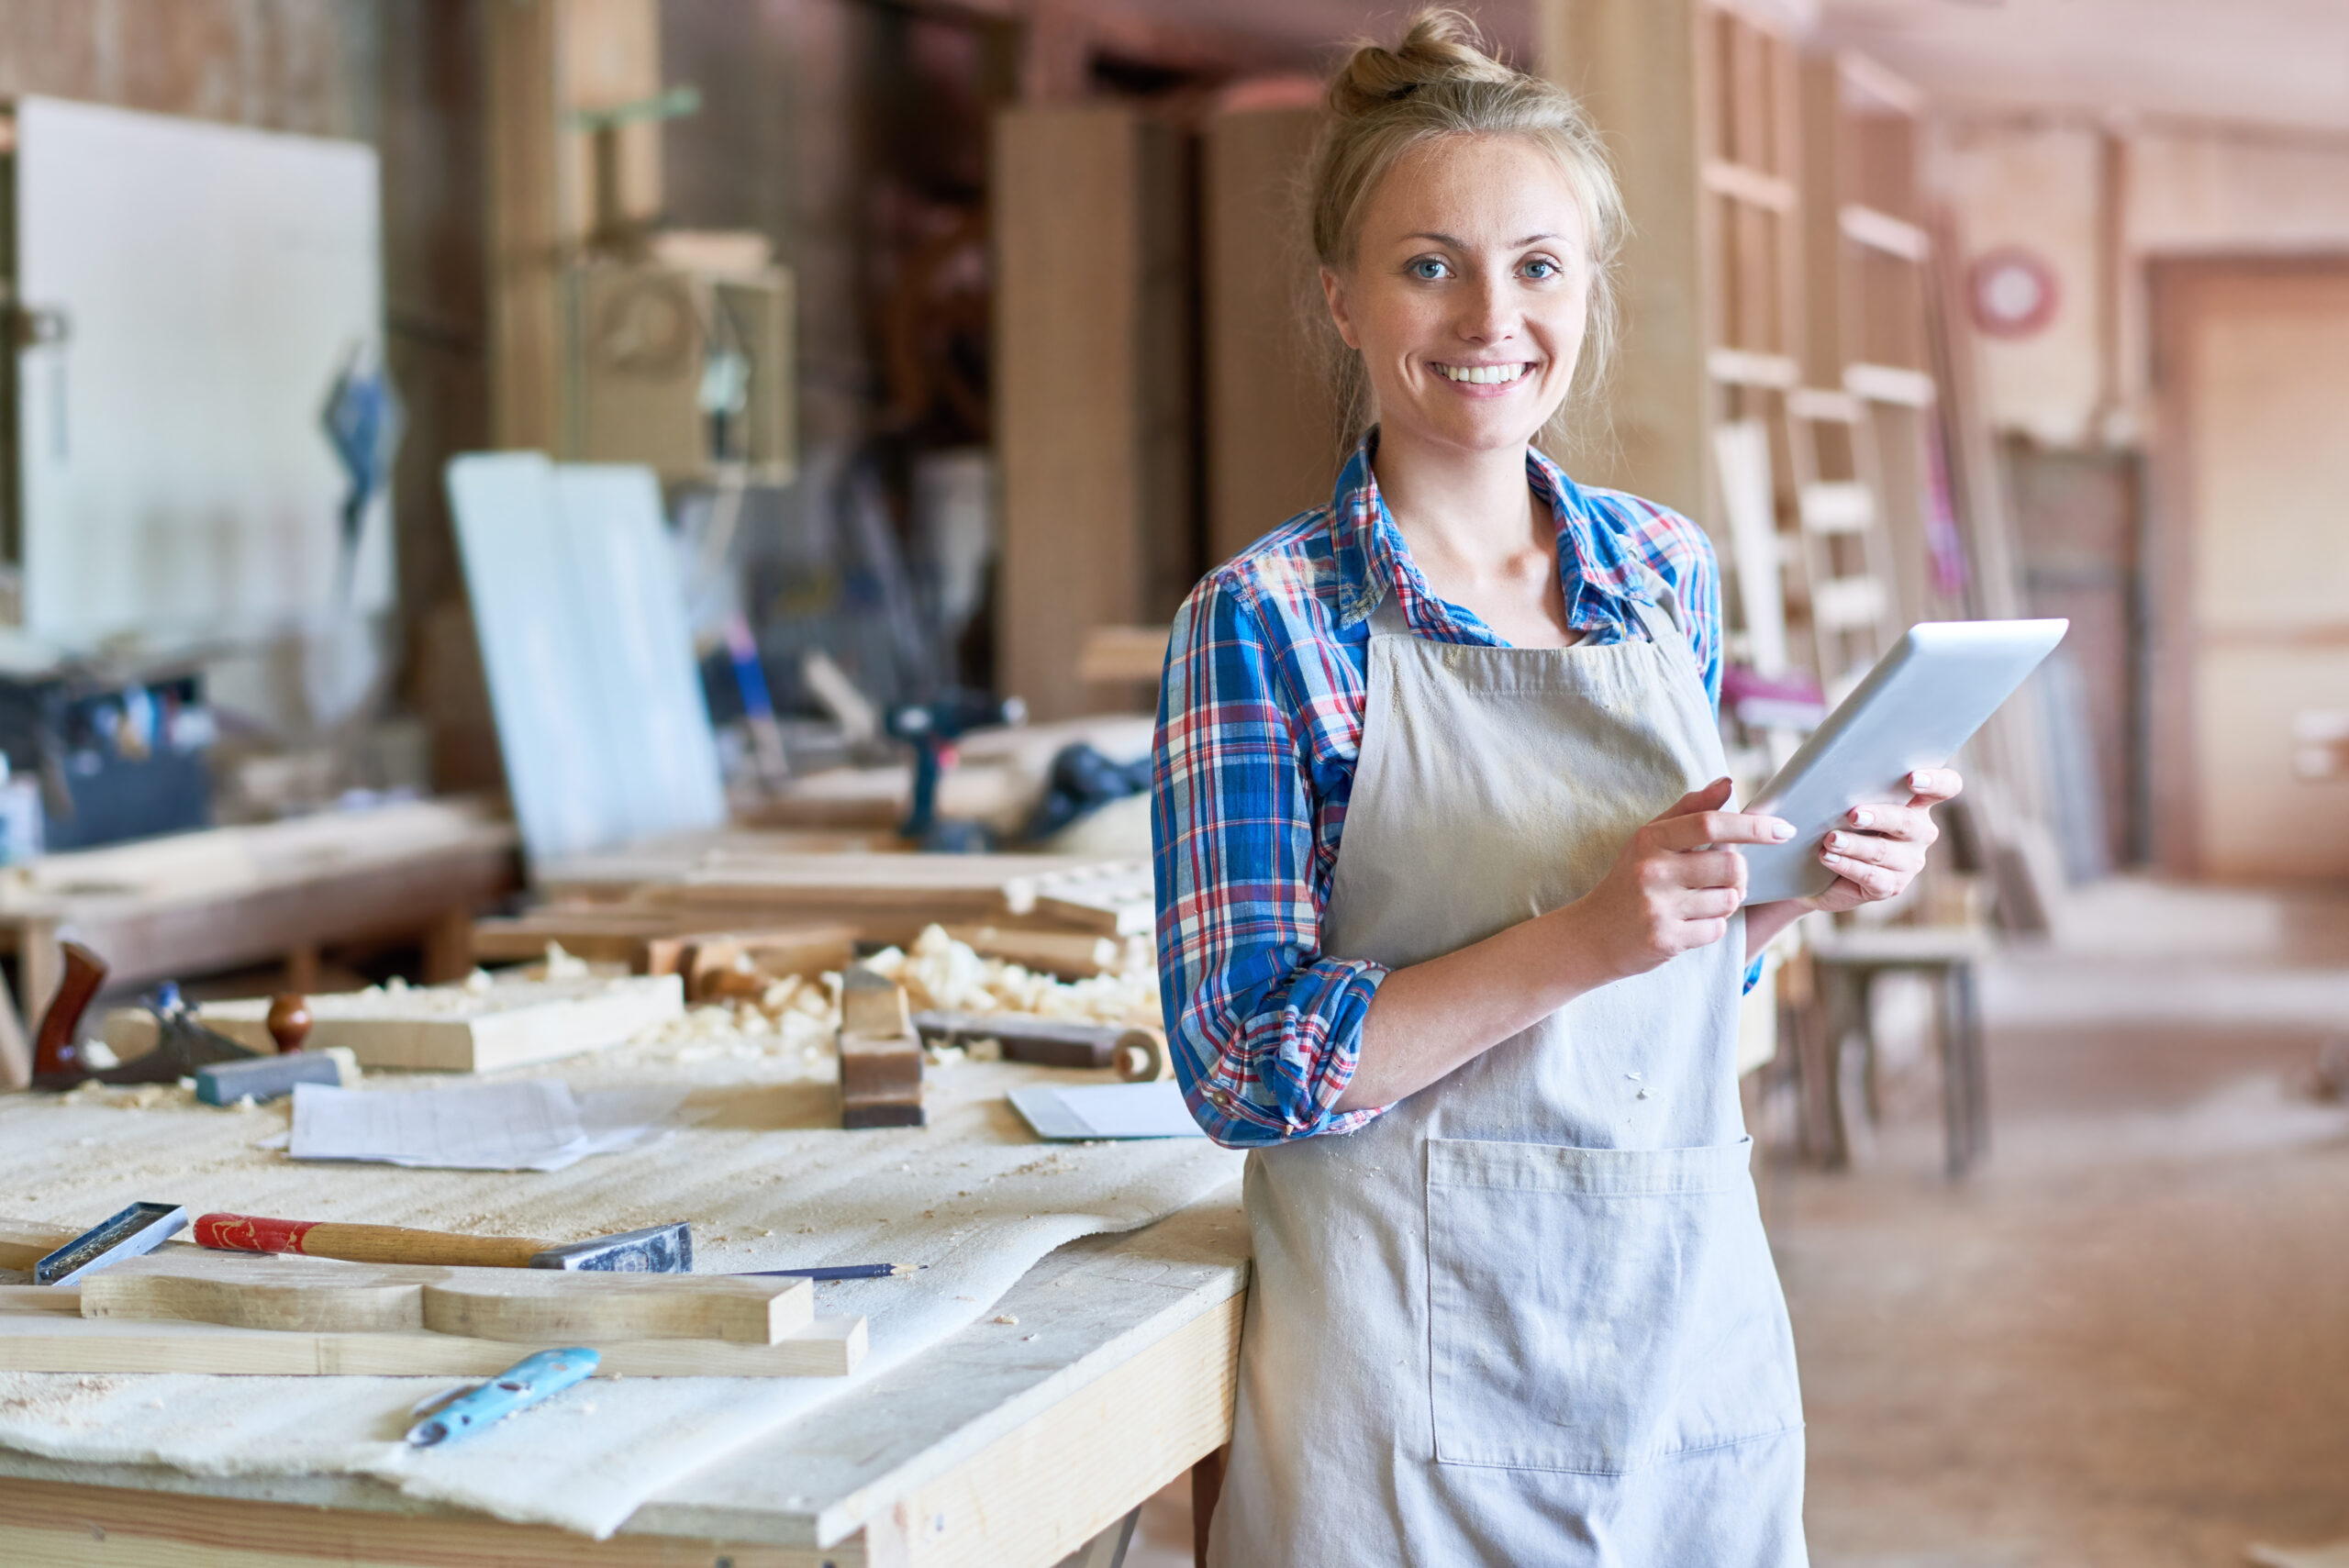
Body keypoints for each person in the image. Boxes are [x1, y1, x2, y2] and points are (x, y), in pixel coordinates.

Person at [1150, 12, 1960, 1565]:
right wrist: (1589, 933)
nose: (1491, 316)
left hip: (1679, 1341)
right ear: (1341, 296)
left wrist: (1795, 883)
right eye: (1429, 263)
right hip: (1398, 1395)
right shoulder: (1262, 625)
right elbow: (1242, 1063)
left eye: (1539, 265)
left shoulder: (1661, 569)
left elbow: (1671, 972)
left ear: (1587, 289)